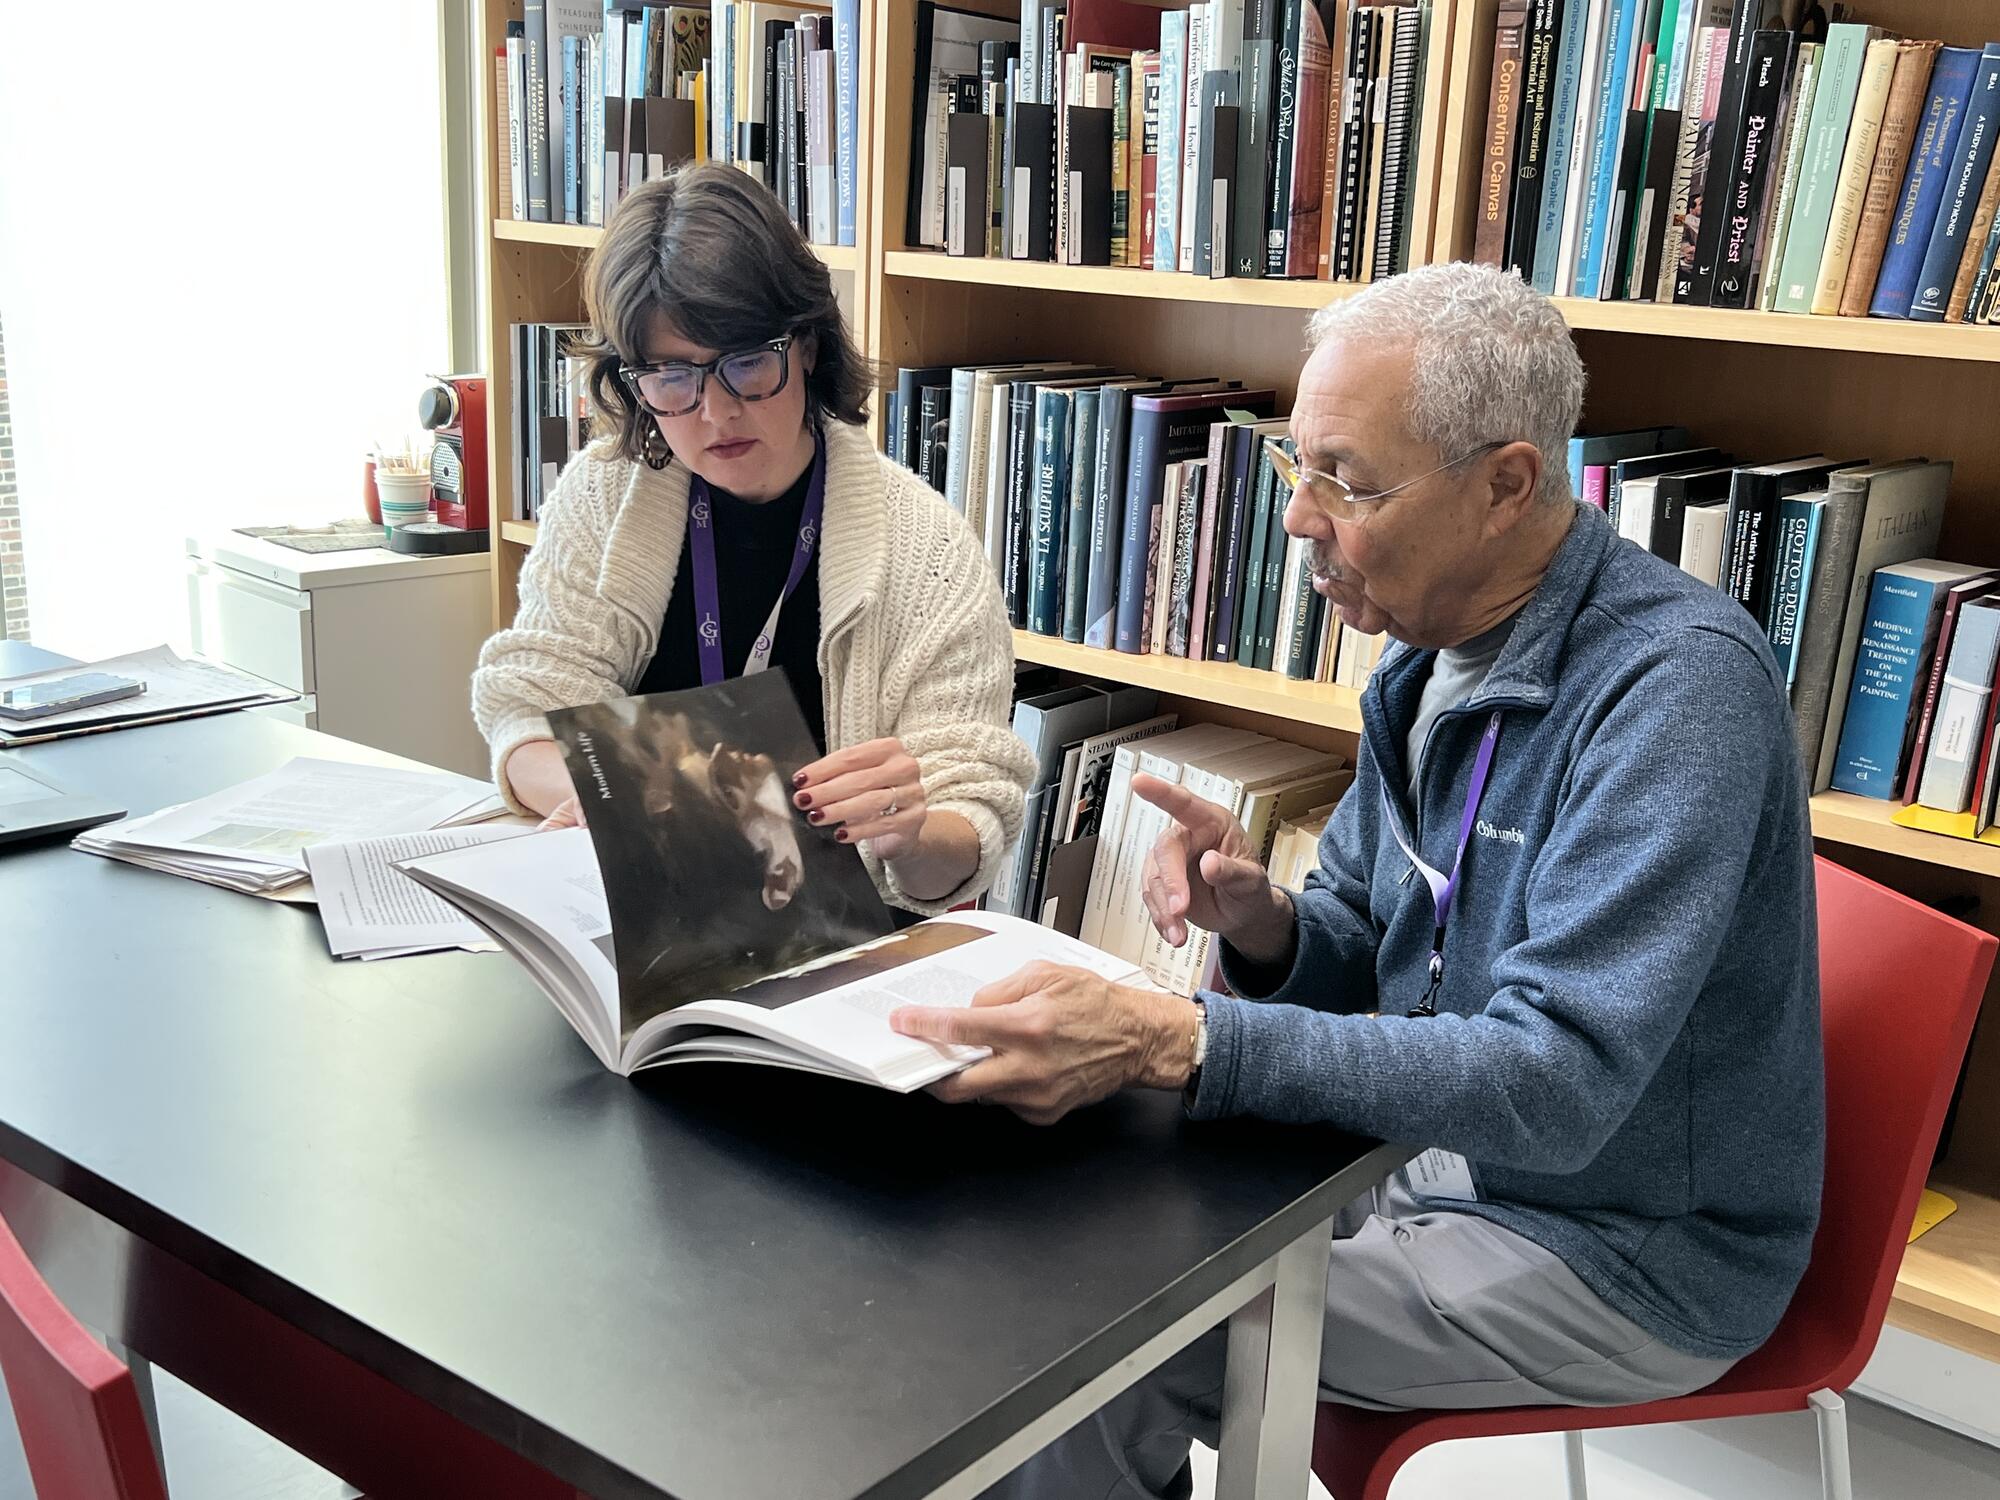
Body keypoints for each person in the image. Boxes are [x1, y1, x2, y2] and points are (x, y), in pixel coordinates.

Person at [887, 262, 1825, 1496]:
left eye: (1346, 480)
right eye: (1297, 464)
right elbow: (1372, 940)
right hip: (1434, 1160)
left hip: (1621, 1243)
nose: (1296, 518)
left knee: (1102, 1348)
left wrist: (1187, 1039)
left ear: (1505, 487)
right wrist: (1267, 922)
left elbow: (1554, 1085)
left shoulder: (1678, 693)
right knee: (1064, 1221)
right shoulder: (1425, 655)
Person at [473, 163, 1033, 913]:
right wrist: (595, 796)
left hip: (841, 942)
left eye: (745, 363)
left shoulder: (927, 550)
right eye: (671, 376)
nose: (715, 414)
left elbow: (967, 837)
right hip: (639, 921)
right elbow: (525, 712)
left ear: (804, 344)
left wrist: (913, 832)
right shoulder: (604, 493)